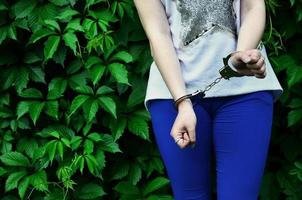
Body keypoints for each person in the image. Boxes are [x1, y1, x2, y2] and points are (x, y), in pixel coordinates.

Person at [133, 0, 283, 199]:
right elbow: (158, 34)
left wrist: (239, 57)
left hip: (245, 90)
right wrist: (183, 103)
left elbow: (253, 7)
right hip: (172, 94)